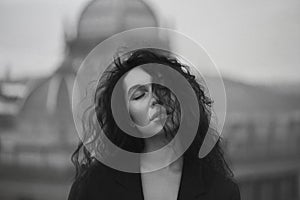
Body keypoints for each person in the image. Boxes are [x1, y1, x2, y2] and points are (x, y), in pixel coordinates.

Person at [68, 48, 241, 200]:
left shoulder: (221, 190)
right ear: (126, 118)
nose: (155, 99)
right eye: (139, 95)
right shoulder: (94, 187)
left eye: (162, 87)